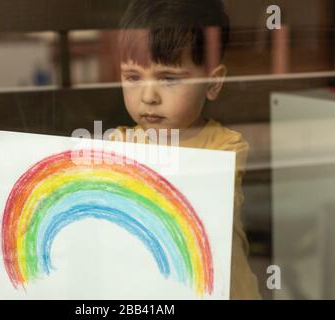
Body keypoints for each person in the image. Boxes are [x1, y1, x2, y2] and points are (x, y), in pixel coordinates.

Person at [109, 0, 261, 299]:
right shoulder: (118, 144)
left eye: (168, 78)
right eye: (133, 77)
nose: (148, 96)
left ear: (213, 83)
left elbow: (193, 205)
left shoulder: (225, 146)